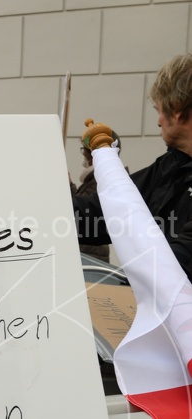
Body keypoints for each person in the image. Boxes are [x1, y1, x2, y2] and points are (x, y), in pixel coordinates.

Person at [73, 52, 192, 282]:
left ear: (176, 109)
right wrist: (48, 207)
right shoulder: (169, 166)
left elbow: (177, 263)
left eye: (159, 110)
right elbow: (108, 209)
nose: (158, 121)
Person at [71, 130, 123, 263]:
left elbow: (84, 212)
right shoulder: (95, 180)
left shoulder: (102, 180)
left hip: (90, 256)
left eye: (84, 150)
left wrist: (68, 187)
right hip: (90, 253)